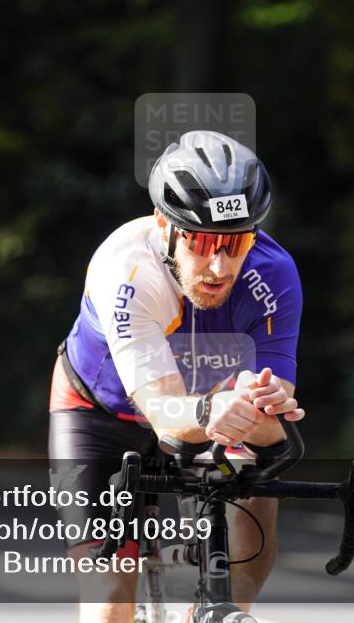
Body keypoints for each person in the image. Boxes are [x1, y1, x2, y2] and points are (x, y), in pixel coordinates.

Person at [48, 130, 304, 622]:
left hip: (207, 408)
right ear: (165, 225)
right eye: (203, 242)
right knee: (108, 600)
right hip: (100, 412)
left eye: (236, 242)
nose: (219, 266)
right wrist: (214, 410)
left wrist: (264, 408)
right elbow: (166, 416)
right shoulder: (126, 269)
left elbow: (272, 426)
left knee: (253, 500)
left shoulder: (273, 275)